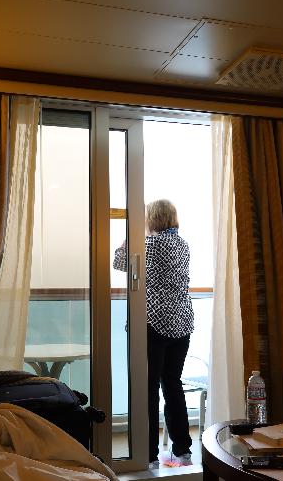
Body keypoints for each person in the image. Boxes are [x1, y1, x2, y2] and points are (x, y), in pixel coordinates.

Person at [113, 199, 194, 467]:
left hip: (155, 322)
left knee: (147, 388)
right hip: (182, 322)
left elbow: (119, 261)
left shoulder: (150, 244)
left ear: (151, 219)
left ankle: (147, 454)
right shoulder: (182, 244)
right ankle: (183, 449)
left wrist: (131, 234)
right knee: (172, 384)